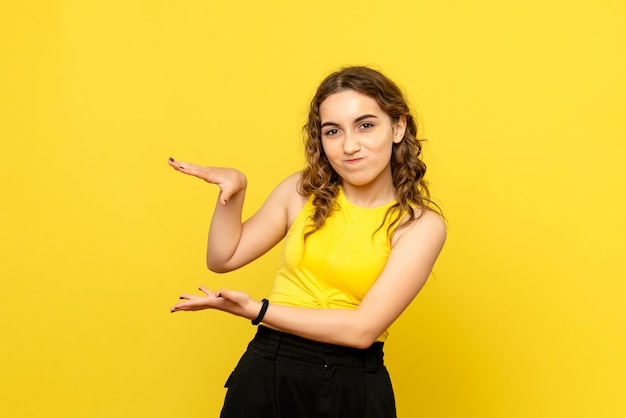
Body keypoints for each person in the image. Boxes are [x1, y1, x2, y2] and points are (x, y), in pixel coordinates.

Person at [168, 66, 446, 418]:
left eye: (366, 125)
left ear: (398, 127)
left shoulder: (419, 225)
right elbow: (224, 257)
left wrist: (258, 310)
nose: (349, 145)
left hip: (352, 383)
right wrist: (234, 191)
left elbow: (362, 330)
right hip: (268, 369)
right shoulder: (302, 191)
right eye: (333, 131)